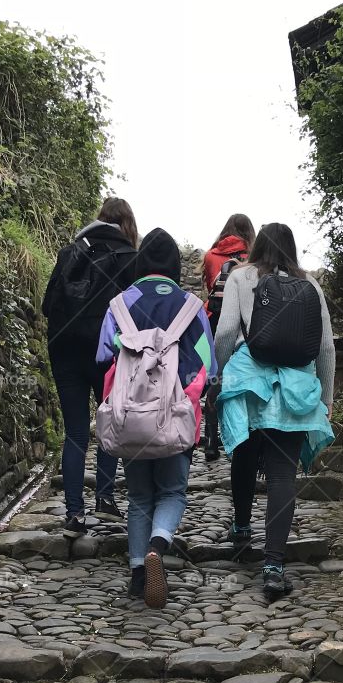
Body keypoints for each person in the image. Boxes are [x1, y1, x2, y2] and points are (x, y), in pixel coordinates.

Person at [213, 222, 335, 601]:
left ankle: (242, 526)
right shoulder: (310, 284)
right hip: (296, 392)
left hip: (250, 383)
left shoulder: (240, 276)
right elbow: (326, 348)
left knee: (244, 456)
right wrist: (326, 400)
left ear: (257, 246)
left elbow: (225, 332)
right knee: (283, 473)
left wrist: (223, 373)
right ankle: (273, 565)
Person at [96, 228, 217, 608]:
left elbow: (102, 357)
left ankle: (136, 575)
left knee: (138, 496)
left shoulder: (118, 305)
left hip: (131, 419)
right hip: (175, 417)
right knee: (172, 491)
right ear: (176, 268)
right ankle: (157, 546)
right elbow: (208, 366)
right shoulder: (191, 308)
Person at [42, 197, 139, 535]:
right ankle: (105, 496)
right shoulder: (130, 258)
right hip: (107, 352)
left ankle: (73, 514)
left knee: (76, 433)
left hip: (64, 348)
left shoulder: (71, 251)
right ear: (127, 224)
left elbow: (46, 305)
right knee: (109, 423)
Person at [200, 214, 255, 460]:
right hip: (245, 324)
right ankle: (239, 437)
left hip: (214, 320)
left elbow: (208, 289)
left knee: (215, 376)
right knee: (241, 378)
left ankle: (211, 441)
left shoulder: (211, 256)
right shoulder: (254, 257)